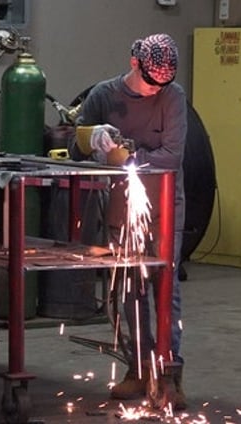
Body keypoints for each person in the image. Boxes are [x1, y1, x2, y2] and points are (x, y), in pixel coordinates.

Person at [69, 33, 189, 409]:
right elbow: (75, 151)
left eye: (163, 84)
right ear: (135, 63)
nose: (157, 91)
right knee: (130, 290)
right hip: (122, 207)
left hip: (167, 205)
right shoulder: (103, 96)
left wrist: (127, 157)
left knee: (165, 286)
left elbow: (171, 157)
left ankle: (168, 373)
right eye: (152, 82)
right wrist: (93, 139)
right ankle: (138, 369)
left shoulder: (173, 96)